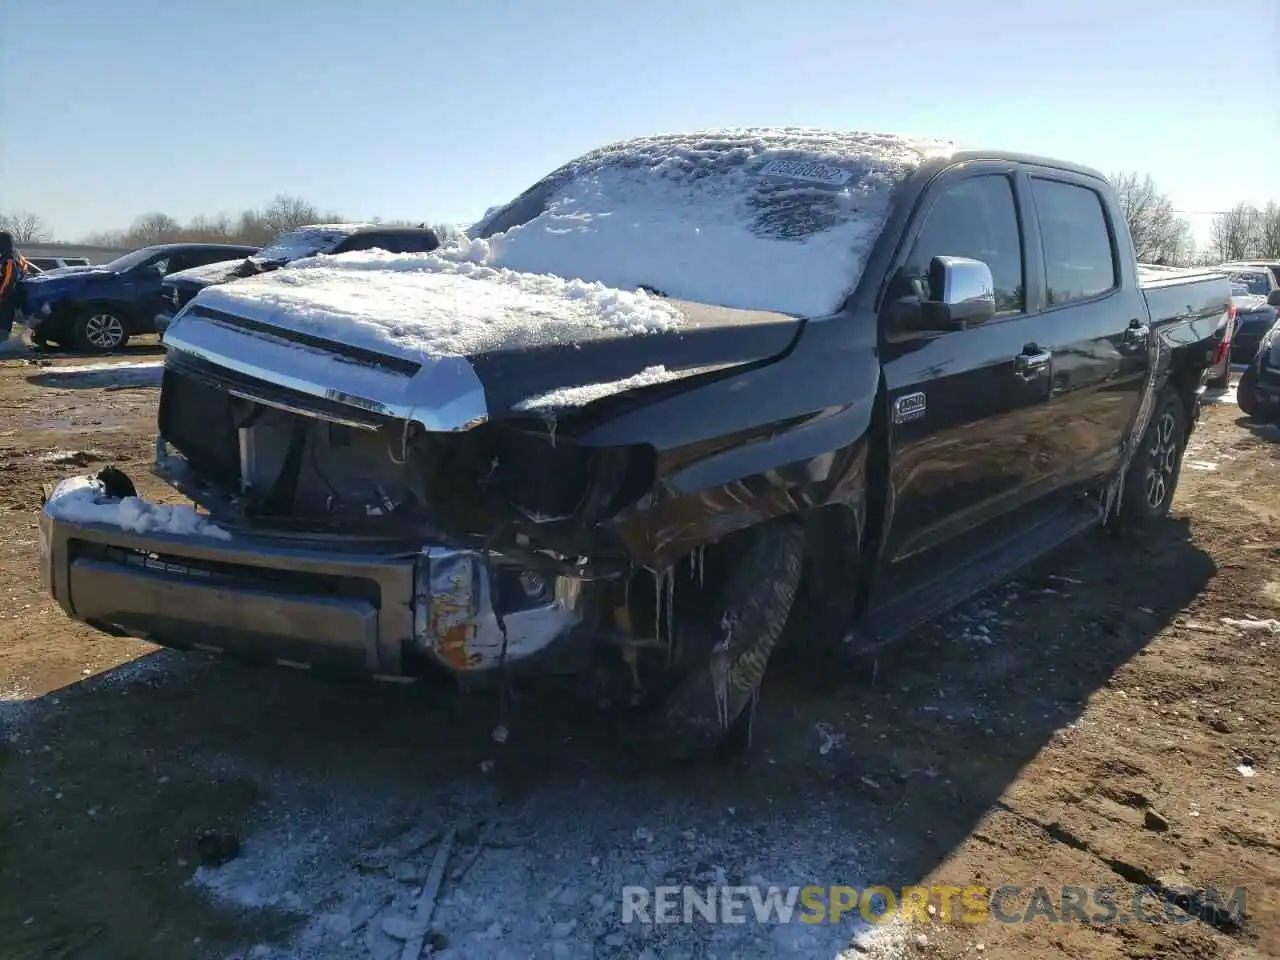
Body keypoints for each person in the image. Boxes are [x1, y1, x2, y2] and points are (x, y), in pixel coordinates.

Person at [0, 232, 31, 353]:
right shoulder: (16, 255)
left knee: (3, 321)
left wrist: (2, 295)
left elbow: (9, 280)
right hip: (11, 294)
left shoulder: (10, 258)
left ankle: (3, 346)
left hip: (8, 296)